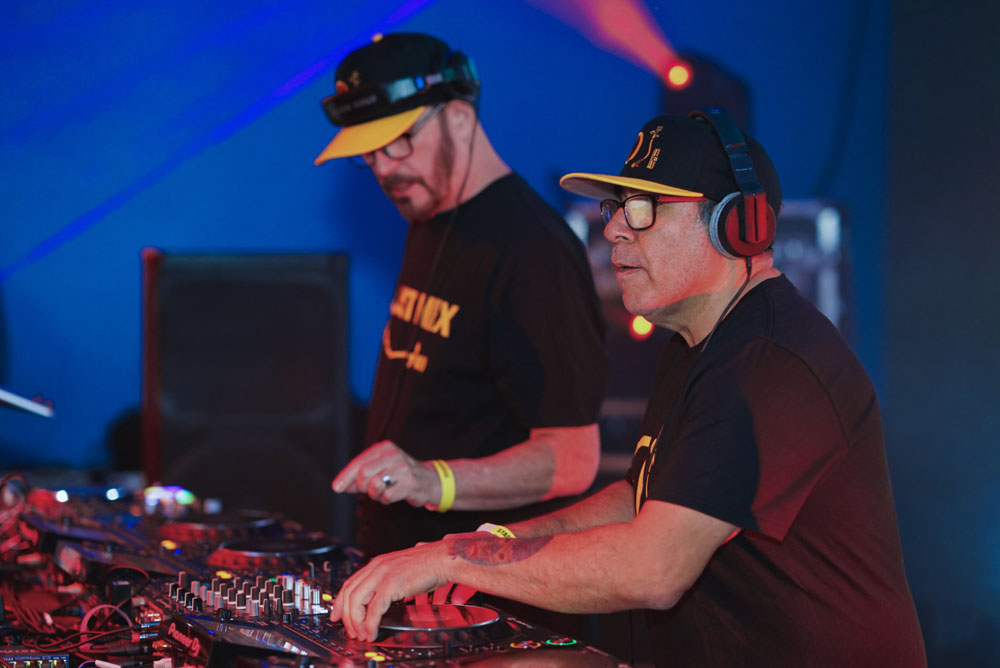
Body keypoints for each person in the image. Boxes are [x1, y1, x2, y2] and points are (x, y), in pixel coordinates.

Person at [329, 109, 927, 667]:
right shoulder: (701, 344)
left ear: (736, 225)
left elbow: (653, 568)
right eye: (615, 207)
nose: (613, 228)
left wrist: (452, 559)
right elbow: (643, 495)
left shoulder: (771, 364)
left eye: (642, 207)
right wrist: (490, 541)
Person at [314, 32, 608, 561]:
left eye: (398, 141)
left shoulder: (533, 250)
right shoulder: (429, 212)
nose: (384, 167)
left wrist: (433, 481)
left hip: (482, 589)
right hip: (407, 574)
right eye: (369, 152)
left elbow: (573, 459)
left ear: (459, 117)